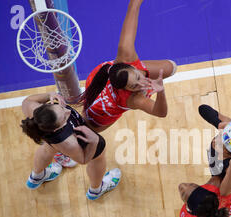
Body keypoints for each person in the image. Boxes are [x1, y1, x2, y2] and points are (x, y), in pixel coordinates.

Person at [72, 0, 177, 132]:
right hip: (99, 117)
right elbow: (161, 113)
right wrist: (161, 92)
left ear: (131, 66)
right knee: (91, 130)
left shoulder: (125, 53)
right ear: (125, 89)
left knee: (171, 67)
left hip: (95, 80)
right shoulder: (133, 99)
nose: (141, 83)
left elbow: (134, 4)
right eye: (134, 86)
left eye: (138, 77)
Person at [20, 92, 121, 200]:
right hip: (68, 145)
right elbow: (83, 159)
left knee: (47, 148)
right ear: (56, 129)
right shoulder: (69, 143)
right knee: (98, 158)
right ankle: (96, 190)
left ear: (46, 106)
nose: (68, 111)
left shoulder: (32, 109)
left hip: (51, 141)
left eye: (59, 107)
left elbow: (27, 100)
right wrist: (94, 141)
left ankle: (36, 177)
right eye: (64, 117)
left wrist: (50, 95)